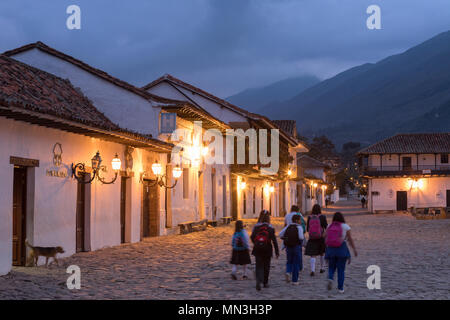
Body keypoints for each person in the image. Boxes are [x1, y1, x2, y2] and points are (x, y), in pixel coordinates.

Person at [324, 212, 358, 293]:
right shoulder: (346, 227)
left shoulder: (329, 226)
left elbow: (324, 236)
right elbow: (350, 240)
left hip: (331, 249)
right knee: (341, 270)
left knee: (331, 267)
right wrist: (354, 249)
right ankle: (340, 288)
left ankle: (330, 278)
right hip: (341, 249)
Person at [251, 210, 279, 291]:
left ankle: (258, 280)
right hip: (267, 249)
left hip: (257, 249)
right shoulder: (270, 228)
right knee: (266, 266)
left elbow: (252, 237)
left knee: (258, 265)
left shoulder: (256, 227)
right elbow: (274, 241)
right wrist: (277, 252)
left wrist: (256, 243)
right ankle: (265, 283)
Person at [279, 214, 304, 285]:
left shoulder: (288, 226)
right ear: (296, 220)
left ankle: (288, 272)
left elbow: (280, 234)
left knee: (289, 261)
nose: (300, 221)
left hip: (288, 246)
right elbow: (301, 237)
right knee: (296, 263)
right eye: (300, 220)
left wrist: (285, 238)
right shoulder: (299, 227)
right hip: (296, 246)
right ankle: (295, 280)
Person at [305, 204, 328, 276]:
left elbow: (308, 229)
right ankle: (322, 268)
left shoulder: (309, 217)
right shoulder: (322, 217)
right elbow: (326, 227)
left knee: (313, 255)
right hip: (321, 237)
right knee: (322, 253)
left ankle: (312, 270)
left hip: (312, 238)